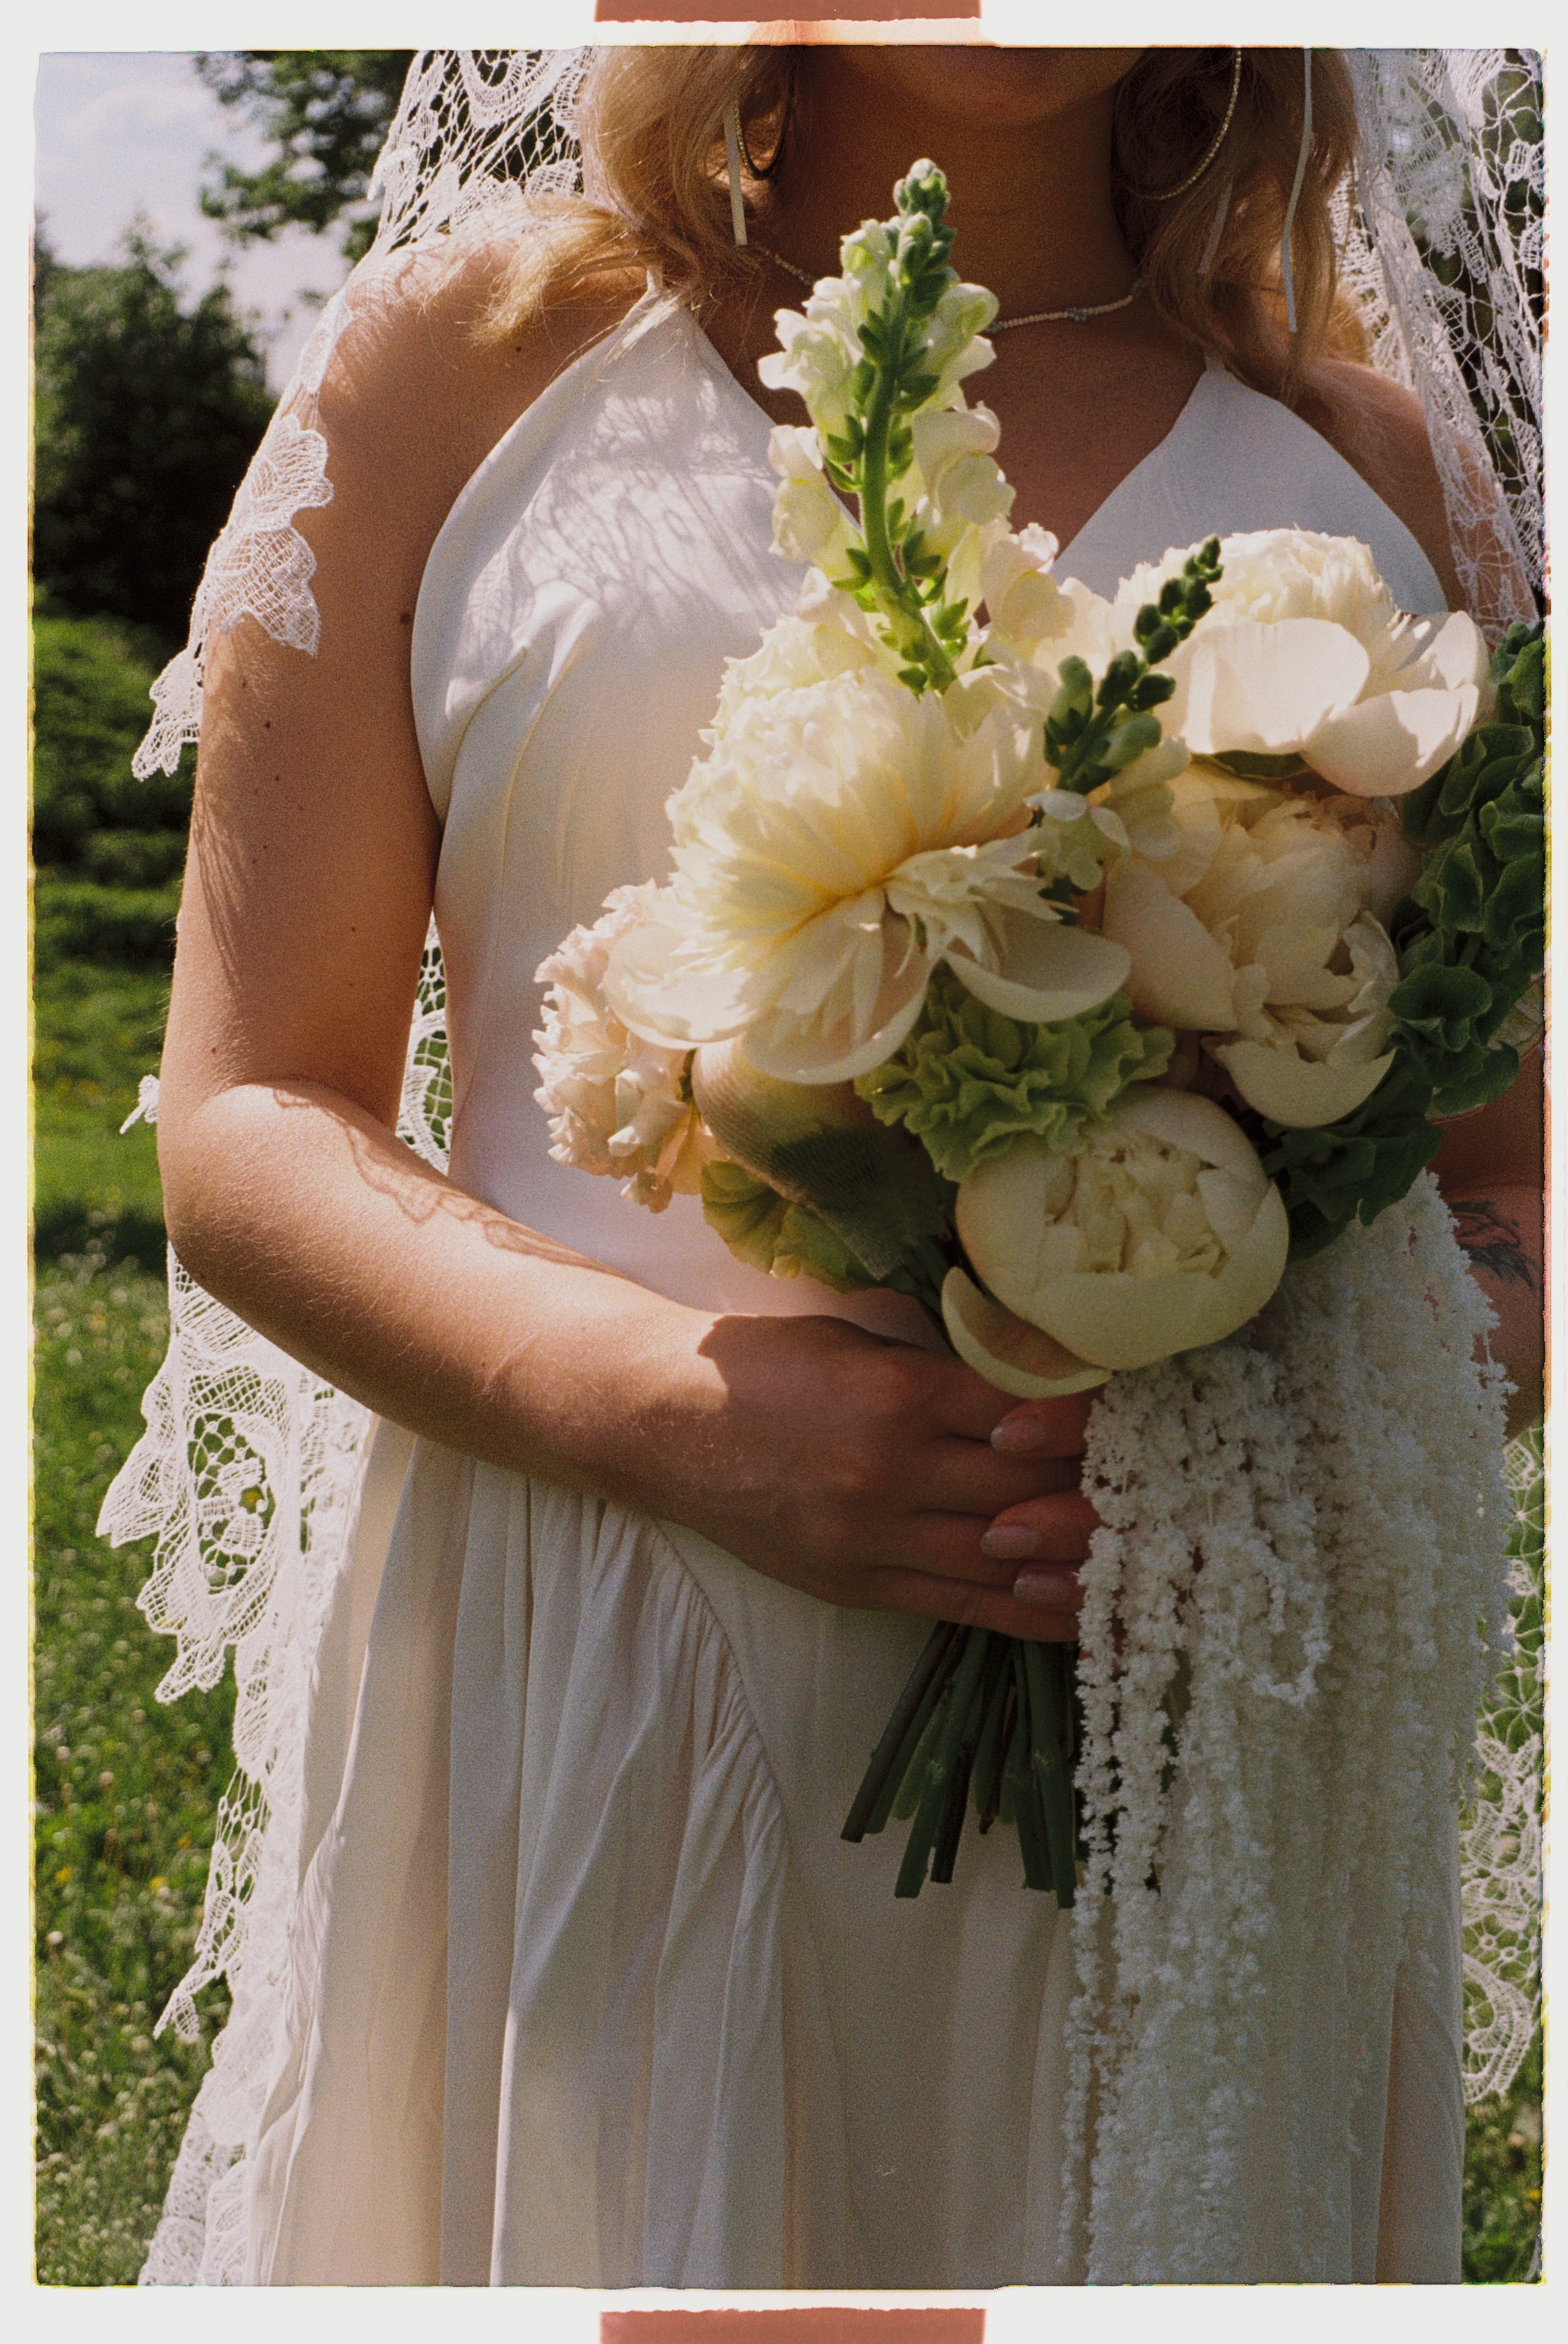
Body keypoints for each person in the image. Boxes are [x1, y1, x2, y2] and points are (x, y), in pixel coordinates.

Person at [135, 44, 1542, 2285]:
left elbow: (1508, 1195)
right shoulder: (469, 361)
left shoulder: (1378, 473)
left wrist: (1249, 1432)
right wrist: (668, 1416)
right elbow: (245, 1118)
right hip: (606, 1631)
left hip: (1183, 1693)